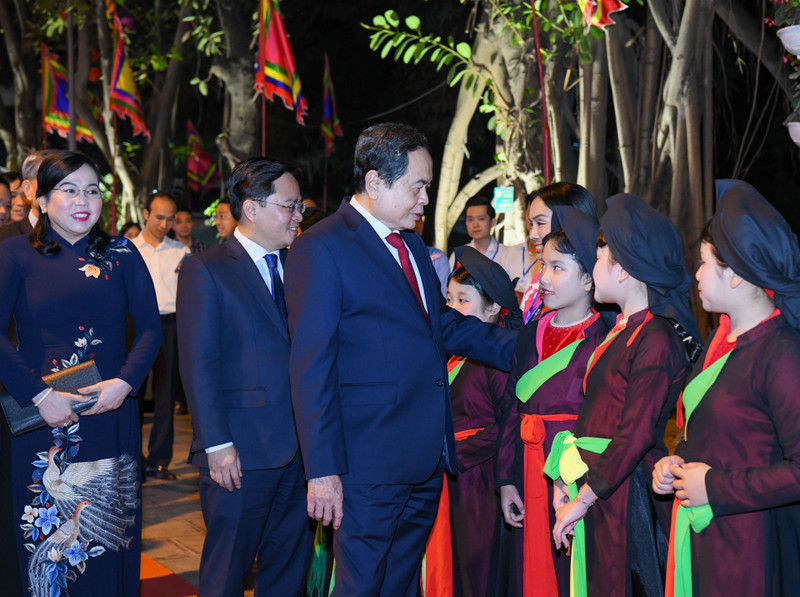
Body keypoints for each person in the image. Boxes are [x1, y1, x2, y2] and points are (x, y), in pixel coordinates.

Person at [285, 122, 518, 596]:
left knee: (401, 584)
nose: (425, 199)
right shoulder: (322, 247)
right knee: (361, 585)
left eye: (427, 187)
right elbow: (311, 366)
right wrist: (322, 471)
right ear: (375, 182)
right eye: (418, 186)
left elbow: (441, 326)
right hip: (366, 465)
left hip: (426, 458)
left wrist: (533, 346)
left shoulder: (410, 244)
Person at [0, 151, 161, 596]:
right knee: (48, 543)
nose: (82, 199)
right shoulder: (14, 253)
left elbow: (151, 329)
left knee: (111, 533)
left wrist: (126, 384)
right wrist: (39, 397)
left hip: (111, 413)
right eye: (69, 190)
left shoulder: (122, 253)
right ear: (43, 198)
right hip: (44, 420)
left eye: (92, 189)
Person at [652, 180, 800, 597]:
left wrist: (714, 487)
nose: (695, 275)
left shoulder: (782, 354)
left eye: (703, 263)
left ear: (734, 275)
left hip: (751, 552)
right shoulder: (721, 347)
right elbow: (706, 434)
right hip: (705, 540)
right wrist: (674, 463)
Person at [548, 193, 700, 597]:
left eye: (599, 257)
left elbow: (634, 434)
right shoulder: (623, 329)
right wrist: (568, 477)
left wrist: (582, 499)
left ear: (623, 270)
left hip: (626, 494)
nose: (593, 267)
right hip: (600, 487)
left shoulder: (656, 337)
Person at [177, 157, 314, 596]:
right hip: (239, 453)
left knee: (288, 570)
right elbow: (199, 362)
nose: (297, 216)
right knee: (227, 571)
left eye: (300, 208)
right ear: (252, 208)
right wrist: (216, 443)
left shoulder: (301, 267)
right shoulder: (208, 268)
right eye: (289, 206)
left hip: (301, 451)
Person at [496, 206, 608, 597]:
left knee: (569, 571)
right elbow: (512, 408)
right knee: (528, 568)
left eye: (558, 268)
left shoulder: (604, 339)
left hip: (573, 476)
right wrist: (506, 479)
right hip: (527, 469)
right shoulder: (531, 333)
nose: (543, 278)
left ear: (589, 279)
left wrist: (579, 488)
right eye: (542, 265)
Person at [423, 246, 523, 597]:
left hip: (477, 484)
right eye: (448, 299)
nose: (452, 310)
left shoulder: (495, 363)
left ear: (494, 307)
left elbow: (507, 424)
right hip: (449, 479)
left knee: (475, 569)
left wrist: (454, 449)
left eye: (463, 300)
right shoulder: (454, 358)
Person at [131, 192, 190, 480]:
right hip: (136, 326)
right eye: (159, 217)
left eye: (170, 218)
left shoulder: (181, 252)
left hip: (170, 325)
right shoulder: (128, 249)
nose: (164, 223)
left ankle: (158, 460)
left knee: (166, 393)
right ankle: (133, 458)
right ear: (145, 214)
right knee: (132, 392)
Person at [518, 182, 598, 322]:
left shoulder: (599, 291)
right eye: (531, 224)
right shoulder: (540, 279)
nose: (532, 235)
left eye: (540, 223)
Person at [0, 150, 62, 243]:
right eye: (47, 183)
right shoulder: (5, 237)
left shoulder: (83, 236)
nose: (56, 191)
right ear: (28, 189)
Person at [449, 196, 507, 270]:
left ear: (492, 222)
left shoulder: (506, 253)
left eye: (481, 219)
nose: (475, 225)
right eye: (470, 219)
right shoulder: (459, 255)